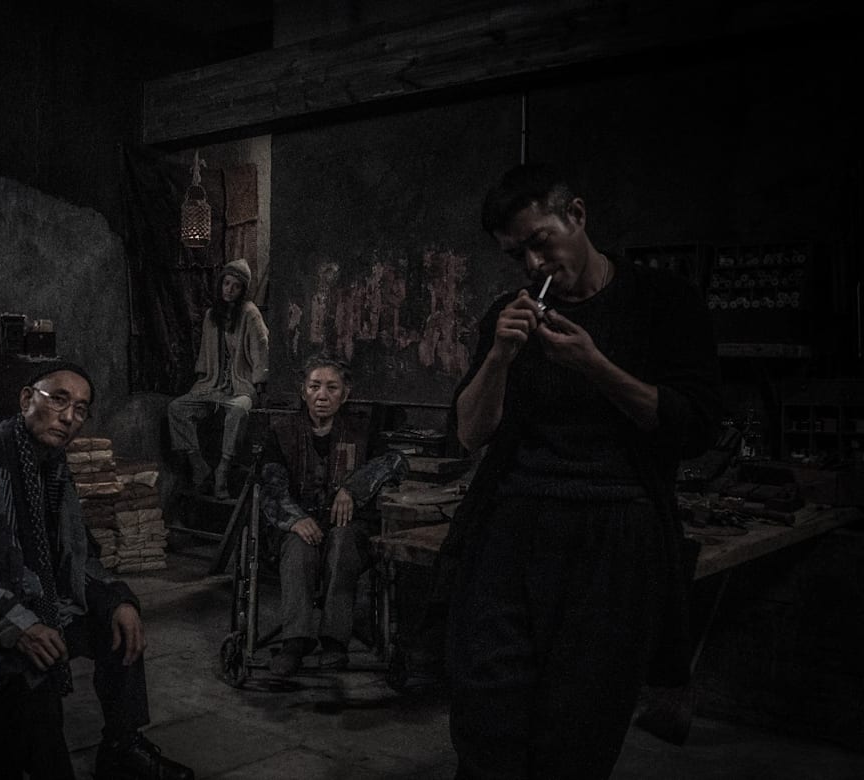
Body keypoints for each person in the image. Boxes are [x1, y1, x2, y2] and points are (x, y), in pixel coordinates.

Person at [440, 163, 723, 777]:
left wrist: (595, 365)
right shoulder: (508, 314)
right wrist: (499, 357)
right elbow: (468, 433)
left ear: (577, 215)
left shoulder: (664, 303)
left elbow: (696, 427)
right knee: (486, 717)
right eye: (517, 255)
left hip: (617, 533)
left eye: (540, 242)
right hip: (512, 528)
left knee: (578, 727)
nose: (533, 265)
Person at [0, 360, 194, 780]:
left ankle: (122, 747)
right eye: (59, 400)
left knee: (119, 624)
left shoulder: (53, 469)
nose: (69, 417)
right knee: (32, 665)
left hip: (30, 598)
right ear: (26, 399)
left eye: (81, 409)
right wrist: (22, 626)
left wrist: (118, 600)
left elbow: (78, 555)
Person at [257, 355, 408, 677]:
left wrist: (353, 489)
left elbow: (394, 462)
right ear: (303, 392)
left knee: (342, 543)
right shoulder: (281, 433)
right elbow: (271, 485)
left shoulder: (362, 431)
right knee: (298, 547)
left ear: (345, 394)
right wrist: (295, 519)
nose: (322, 395)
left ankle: (334, 642)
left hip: (347, 529)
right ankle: (295, 642)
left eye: (331, 387)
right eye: (314, 387)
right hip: (298, 527)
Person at [168, 258, 270, 499]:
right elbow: (205, 354)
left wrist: (259, 385)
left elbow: (261, 349)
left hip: (240, 386)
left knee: (238, 410)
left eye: (236, 286)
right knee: (176, 408)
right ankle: (199, 465)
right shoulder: (211, 315)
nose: (229, 289)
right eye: (226, 283)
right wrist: (203, 382)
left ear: (242, 290)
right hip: (213, 385)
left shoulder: (250, 314)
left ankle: (223, 469)